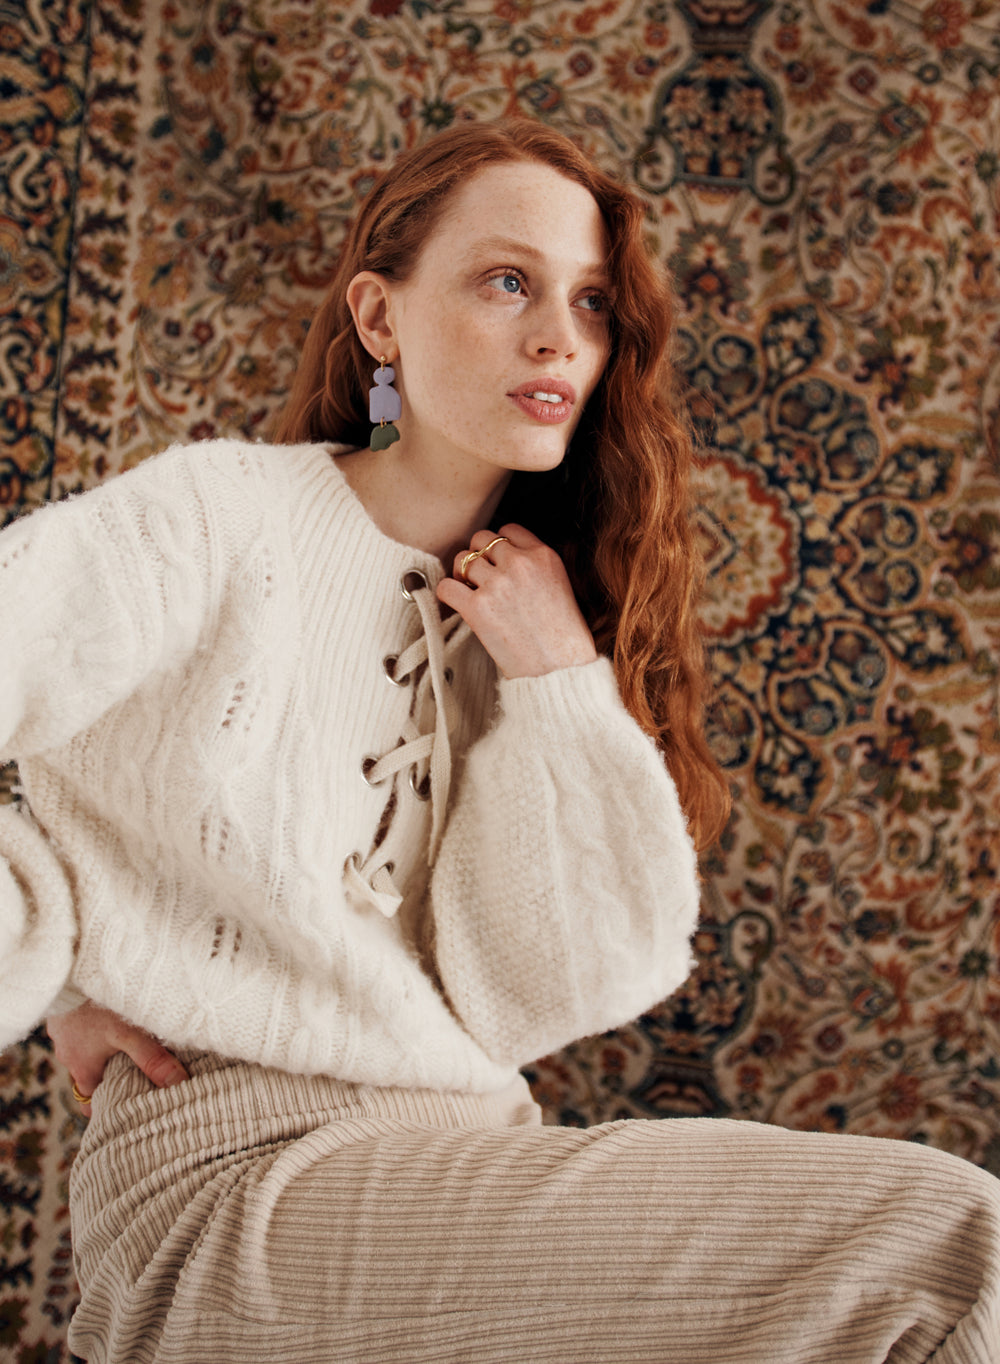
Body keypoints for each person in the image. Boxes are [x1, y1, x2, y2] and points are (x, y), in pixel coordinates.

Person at [1, 119, 998, 1364]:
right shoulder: (218, 516)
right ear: (380, 317)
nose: (557, 338)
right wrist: (59, 961)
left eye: (589, 301)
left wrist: (558, 679)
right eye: (506, 281)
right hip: (225, 1188)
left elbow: (568, 977)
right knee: (951, 1249)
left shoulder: (535, 619)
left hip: (459, 1154)